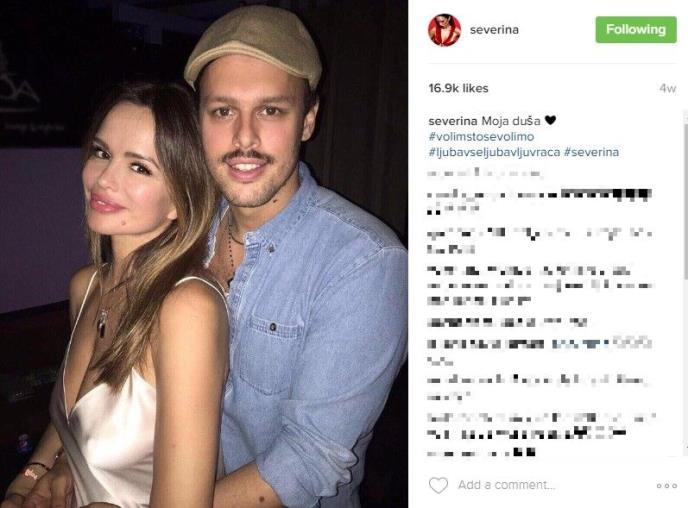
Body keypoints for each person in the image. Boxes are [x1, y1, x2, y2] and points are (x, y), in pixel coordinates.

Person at [18, 5, 407, 508]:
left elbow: (309, 460)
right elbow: (109, 395)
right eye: (223, 111)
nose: (244, 137)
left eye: (271, 110)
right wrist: (57, 467)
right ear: (199, 121)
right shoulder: (179, 228)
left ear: (308, 119)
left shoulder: (364, 262)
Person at [2, 82, 228, 508]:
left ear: (179, 200)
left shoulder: (186, 310)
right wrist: (31, 478)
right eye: (102, 152)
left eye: (139, 167)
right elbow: (74, 420)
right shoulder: (86, 286)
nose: (104, 179)